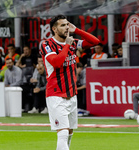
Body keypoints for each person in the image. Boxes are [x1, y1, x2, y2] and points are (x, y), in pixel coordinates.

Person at [40, 15, 99, 150]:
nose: (66, 27)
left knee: (70, 132)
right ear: (54, 29)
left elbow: (95, 41)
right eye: (62, 25)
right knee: (63, 132)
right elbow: (57, 62)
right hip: (56, 95)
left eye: (67, 24)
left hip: (71, 95)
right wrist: (67, 44)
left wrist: (77, 30)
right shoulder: (47, 44)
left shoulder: (72, 42)